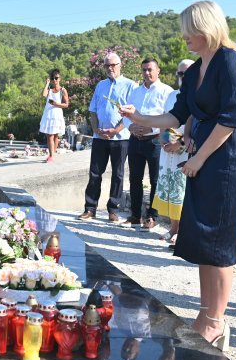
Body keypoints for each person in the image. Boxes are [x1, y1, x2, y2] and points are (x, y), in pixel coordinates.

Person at [120, 0, 236, 350]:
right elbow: (177, 114)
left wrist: (198, 159)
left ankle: (216, 322)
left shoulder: (230, 62)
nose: (184, 38)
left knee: (222, 244)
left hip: (228, 161)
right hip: (204, 160)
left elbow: (231, 119)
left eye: (188, 30)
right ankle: (205, 314)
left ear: (206, 26)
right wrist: (141, 120)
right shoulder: (196, 70)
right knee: (203, 242)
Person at [78, 52, 137, 223]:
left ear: (120, 65)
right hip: (99, 138)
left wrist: (115, 130)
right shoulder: (101, 86)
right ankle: (90, 208)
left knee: (118, 174)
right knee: (95, 173)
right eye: (107, 65)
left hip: (120, 138)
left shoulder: (130, 86)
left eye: (113, 65)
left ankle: (113, 209)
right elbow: (93, 110)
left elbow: (131, 114)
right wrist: (96, 129)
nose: (110, 68)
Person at [125, 58, 173, 229]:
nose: (147, 73)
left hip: (154, 141)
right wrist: (131, 126)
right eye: (144, 70)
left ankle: (152, 217)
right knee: (134, 179)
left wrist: (150, 128)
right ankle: (135, 216)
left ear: (158, 70)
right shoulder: (135, 92)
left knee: (155, 180)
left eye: (150, 69)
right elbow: (126, 113)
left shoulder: (167, 91)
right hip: (135, 140)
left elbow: (169, 118)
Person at [152, 59, 194, 246]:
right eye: (180, 73)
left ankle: (184, 232)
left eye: (187, 73)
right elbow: (164, 118)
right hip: (168, 148)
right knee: (171, 189)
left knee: (182, 190)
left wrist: (180, 143)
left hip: (186, 149)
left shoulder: (198, 95)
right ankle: (173, 228)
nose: (183, 77)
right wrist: (164, 140)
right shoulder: (172, 95)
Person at [39, 69, 69, 163]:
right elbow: (43, 94)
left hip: (57, 115)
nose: (55, 80)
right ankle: (51, 155)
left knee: (56, 136)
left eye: (56, 78)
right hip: (48, 115)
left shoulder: (63, 90)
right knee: (50, 136)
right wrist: (47, 83)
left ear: (60, 79)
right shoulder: (50, 90)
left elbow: (66, 104)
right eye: (53, 78)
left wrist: (56, 104)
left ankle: (52, 155)